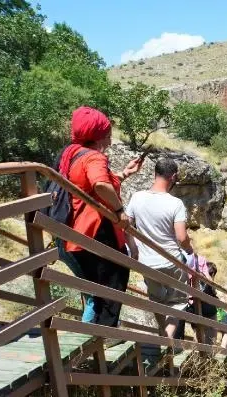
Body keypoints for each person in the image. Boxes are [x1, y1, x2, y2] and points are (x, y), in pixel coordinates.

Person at [63, 106, 143, 327]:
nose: (109, 139)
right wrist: (119, 211)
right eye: (107, 134)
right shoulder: (94, 157)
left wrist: (125, 174)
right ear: (97, 135)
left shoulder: (73, 154)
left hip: (77, 232)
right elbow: (99, 185)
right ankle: (103, 334)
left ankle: (91, 333)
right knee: (113, 280)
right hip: (97, 229)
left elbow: (91, 184)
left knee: (97, 290)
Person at [125, 158, 195, 338]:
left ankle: (162, 333)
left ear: (155, 174)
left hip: (146, 261)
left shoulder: (137, 197)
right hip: (171, 260)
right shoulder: (175, 203)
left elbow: (126, 226)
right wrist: (189, 250)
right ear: (173, 177)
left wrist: (133, 250)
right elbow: (181, 237)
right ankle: (168, 337)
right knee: (178, 301)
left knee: (156, 299)